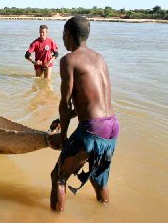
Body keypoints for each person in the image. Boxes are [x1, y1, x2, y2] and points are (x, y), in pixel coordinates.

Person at [48, 16, 120, 212]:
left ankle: (54, 218)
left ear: (69, 35)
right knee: (98, 179)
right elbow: (90, 102)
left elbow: (65, 102)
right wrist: (66, 118)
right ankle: (104, 212)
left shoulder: (69, 60)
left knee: (58, 177)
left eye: (63, 34)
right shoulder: (99, 58)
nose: (62, 39)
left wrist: (62, 136)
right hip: (112, 126)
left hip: (92, 129)